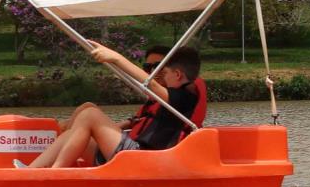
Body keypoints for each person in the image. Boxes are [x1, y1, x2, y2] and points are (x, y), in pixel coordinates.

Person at [25, 44, 205, 169]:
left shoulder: (184, 97)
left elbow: (150, 85)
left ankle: (55, 172)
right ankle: (32, 171)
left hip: (143, 160)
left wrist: (116, 58)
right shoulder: (171, 96)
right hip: (134, 153)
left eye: (163, 71)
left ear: (178, 74)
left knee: (90, 115)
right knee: (81, 122)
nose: (159, 75)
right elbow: (141, 119)